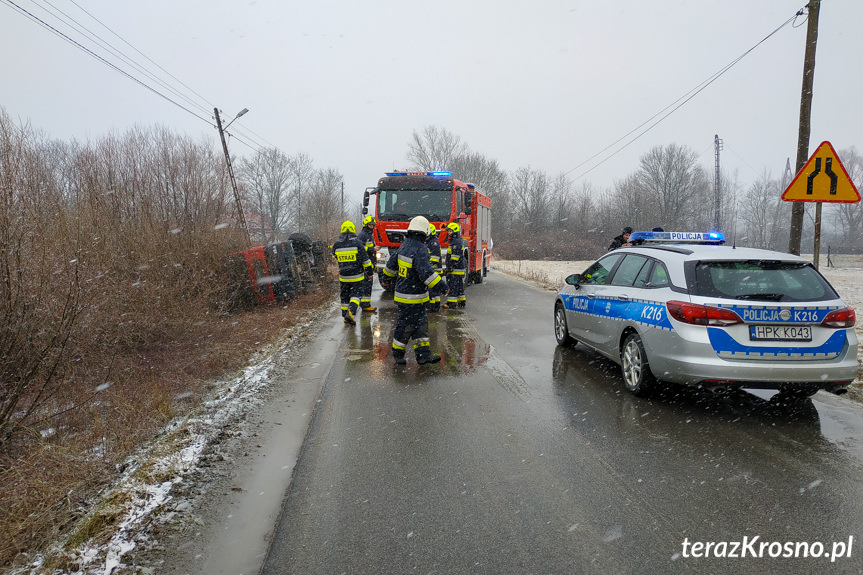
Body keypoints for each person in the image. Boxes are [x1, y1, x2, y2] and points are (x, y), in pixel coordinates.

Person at [381, 216, 447, 365]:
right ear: (425, 232)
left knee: (419, 325)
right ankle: (398, 354)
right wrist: (442, 287)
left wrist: (386, 277)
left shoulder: (404, 245)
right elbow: (426, 274)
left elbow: (391, 264)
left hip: (407, 295)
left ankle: (423, 355)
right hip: (413, 296)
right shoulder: (421, 249)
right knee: (406, 326)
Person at [332, 220, 373, 326]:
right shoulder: (357, 243)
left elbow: (335, 256)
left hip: (343, 277)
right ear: (353, 230)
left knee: (344, 296)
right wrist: (369, 272)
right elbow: (366, 260)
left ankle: (345, 316)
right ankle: (351, 311)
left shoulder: (337, 245)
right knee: (356, 294)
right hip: (357, 276)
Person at [356, 215, 378, 312]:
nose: (372, 227)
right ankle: (365, 305)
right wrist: (372, 249)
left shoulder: (369, 235)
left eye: (373, 225)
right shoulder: (362, 235)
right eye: (370, 225)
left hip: (369, 262)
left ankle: (365, 304)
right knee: (366, 284)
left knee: (368, 284)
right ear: (366, 225)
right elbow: (360, 249)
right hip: (365, 264)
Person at [443, 222, 467, 309]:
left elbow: (455, 257)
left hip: (455, 269)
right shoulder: (457, 241)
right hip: (458, 268)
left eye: (450, 231)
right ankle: (462, 301)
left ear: (455, 231)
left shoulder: (455, 242)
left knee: (453, 286)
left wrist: (450, 267)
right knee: (460, 286)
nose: (448, 233)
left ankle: (451, 304)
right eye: (448, 231)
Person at [425, 222, 443, 312]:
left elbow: (435, 258)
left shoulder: (433, 243)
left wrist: (428, 266)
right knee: (435, 290)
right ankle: (436, 305)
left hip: (434, 269)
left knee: (432, 289)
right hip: (434, 269)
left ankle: (432, 306)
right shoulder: (431, 241)